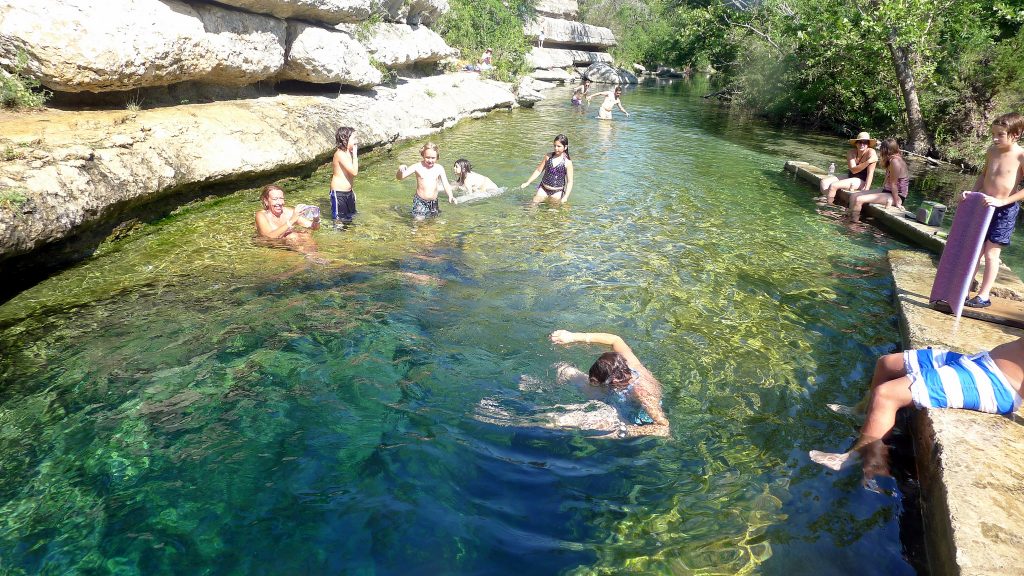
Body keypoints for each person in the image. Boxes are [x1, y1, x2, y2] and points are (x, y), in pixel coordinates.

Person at [810, 338, 1024, 481]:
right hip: (981, 361)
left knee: (887, 395)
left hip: (997, 384)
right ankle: (863, 411)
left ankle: (858, 457)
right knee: (886, 363)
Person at [548, 329, 670, 437]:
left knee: (565, 420)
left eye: (595, 382)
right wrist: (573, 337)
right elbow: (615, 340)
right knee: (566, 371)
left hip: (630, 418)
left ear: (613, 381)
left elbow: (664, 429)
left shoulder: (643, 392)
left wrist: (623, 431)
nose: (592, 383)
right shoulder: (626, 362)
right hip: (615, 395)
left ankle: (533, 421)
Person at [964, 112, 1024, 308]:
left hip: (1004, 210)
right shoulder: (992, 150)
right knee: (975, 251)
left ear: (1016, 134)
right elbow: (984, 175)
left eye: (1000, 134)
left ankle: (984, 295)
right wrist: (971, 193)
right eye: (994, 134)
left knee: (991, 254)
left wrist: (1003, 201)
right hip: (983, 206)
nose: (995, 138)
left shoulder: (1020, 155)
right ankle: (964, 289)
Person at [847, 138, 910, 223]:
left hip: (897, 195)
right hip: (887, 191)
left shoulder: (895, 162)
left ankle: (853, 224)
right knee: (854, 196)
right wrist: (880, 190)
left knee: (859, 199)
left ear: (885, 150)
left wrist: (898, 202)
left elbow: (894, 184)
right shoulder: (891, 160)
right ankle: (849, 217)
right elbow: (888, 180)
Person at [396, 142, 455, 220]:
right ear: (423, 155)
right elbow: (400, 178)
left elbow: (446, 184)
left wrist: (450, 196)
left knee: (433, 220)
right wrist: (400, 170)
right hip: (420, 200)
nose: (430, 160)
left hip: (433, 201)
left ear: (437, 157)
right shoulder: (417, 166)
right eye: (427, 157)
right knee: (419, 220)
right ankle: (414, 230)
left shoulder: (439, 168)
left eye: (433, 158)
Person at [254, 184, 321, 254]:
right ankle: (311, 256)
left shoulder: (289, 211)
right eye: (275, 199)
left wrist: (316, 218)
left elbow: (315, 227)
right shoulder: (261, 215)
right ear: (266, 201)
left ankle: (314, 255)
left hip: (291, 245)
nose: (279, 202)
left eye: (281, 198)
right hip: (272, 246)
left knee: (305, 234)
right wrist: (291, 221)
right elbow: (268, 238)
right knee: (292, 236)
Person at [818, 132, 878, 203]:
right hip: (851, 176)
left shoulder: (871, 153)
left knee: (833, 185)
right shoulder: (851, 152)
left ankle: (828, 205)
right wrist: (868, 162)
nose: (862, 144)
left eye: (865, 142)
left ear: (868, 144)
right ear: (856, 143)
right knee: (824, 182)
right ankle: (830, 198)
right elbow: (853, 170)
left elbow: (870, 173)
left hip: (862, 180)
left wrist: (866, 189)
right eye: (860, 142)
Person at [520, 134, 574, 204]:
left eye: (559, 146)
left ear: (565, 147)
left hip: (557, 191)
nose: (556, 148)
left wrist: (565, 197)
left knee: (552, 212)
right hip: (543, 189)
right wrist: (528, 182)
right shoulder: (548, 156)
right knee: (533, 204)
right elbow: (538, 170)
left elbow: (570, 181)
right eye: (554, 146)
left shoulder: (567, 162)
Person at [330, 126, 358, 227]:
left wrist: (351, 191)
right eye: (354, 138)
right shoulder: (340, 154)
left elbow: (348, 175)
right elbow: (354, 172)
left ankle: (348, 241)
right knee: (339, 220)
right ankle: (338, 240)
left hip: (348, 192)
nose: (356, 141)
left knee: (350, 218)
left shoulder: (347, 153)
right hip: (339, 193)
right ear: (345, 139)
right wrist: (355, 155)